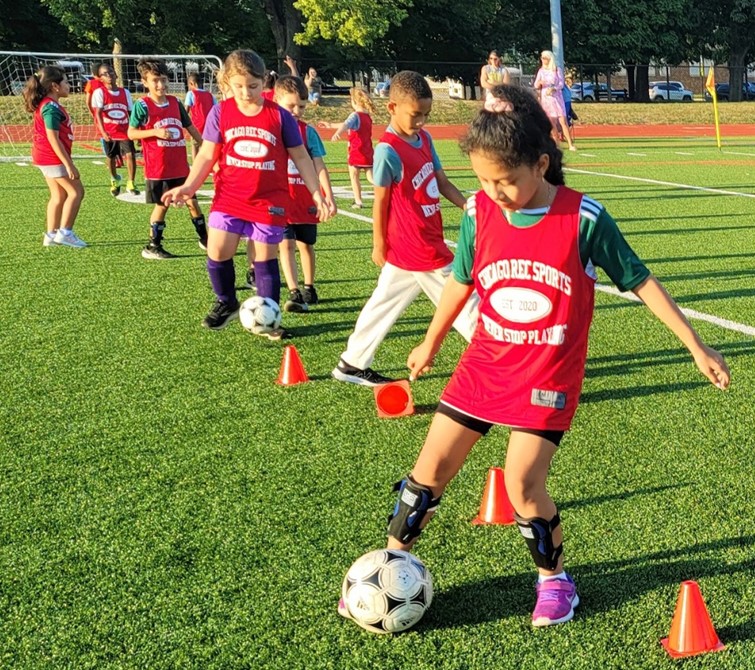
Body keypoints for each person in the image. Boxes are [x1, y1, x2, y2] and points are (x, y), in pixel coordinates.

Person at [340, 84, 731, 627]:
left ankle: (555, 581)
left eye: (506, 180)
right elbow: (460, 280)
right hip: (483, 366)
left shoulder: (584, 218)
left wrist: (697, 346)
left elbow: (641, 282)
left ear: (541, 164)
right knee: (427, 472)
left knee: (523, 482)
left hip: (547, 376)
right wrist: (430, 340)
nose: (494, 191)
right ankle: (391, 563)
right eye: (482, 180)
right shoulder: (478, 209)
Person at [161, 49, 330, 336]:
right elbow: (206, 155)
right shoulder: (221, 111)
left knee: (264, 259)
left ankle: (270, 317)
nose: (245, 92)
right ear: (227, 82)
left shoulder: (278, 116)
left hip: (269, 201)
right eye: (238, 86)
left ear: (264, 82)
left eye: (252, 86)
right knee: (217, 251)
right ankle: (226, 302)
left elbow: (301, 157)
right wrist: (189, 187)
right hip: (229, 197)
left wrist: (316, 193)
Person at [332, 71, 478, 386]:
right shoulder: (387, 151)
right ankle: (498, 358)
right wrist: (378, 244)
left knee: (384, 302)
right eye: (415, 115)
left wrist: (467, 205)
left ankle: (352, 362)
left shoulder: (423, 139)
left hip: (422, 240)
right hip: (416, 245)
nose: (421, 121)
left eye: (426, 115)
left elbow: (440, 181)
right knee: (463, 299)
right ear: (393, 108)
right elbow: (380, 202)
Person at [128, 58, 207, 259]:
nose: (161, 85)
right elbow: (131, 133)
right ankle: (153, 245)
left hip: (180, 166)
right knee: (162, 206)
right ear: (145, 82)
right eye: (155, 80)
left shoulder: (175, 102)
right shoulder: (142, 105)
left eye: (163, 79)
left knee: (192, 201)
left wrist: (207, 148)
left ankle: (205, 239)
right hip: (159, 168)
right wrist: (155, 132)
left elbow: (191, 128)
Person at [274, 75, 336, 312]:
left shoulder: (307, 132)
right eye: (291, 105)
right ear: (277, 100)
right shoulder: (272, 130)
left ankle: (309, 286)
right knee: (285, 245)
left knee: (306, 245)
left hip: (306, 200)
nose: (296, 111)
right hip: (281, 201)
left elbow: (319, 165)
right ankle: (293, 291)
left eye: (301, 106)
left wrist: (327, 195)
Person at [23, 66, 87, 248]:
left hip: (44, 157)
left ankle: (50, 235)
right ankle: (65, 232)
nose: (69, 85)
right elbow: (53, 138)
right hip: (52, 158)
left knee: (58, 195)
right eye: (65, 82)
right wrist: (69, 164)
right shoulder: (50, 108)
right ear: (54, 86)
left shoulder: (49, 105)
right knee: (77, 192)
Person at [91, 63, 139, 196]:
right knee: (111, 157)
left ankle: (131, 182)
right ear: (100, 78)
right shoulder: (100, 93)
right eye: (105, 74)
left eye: (111, 72)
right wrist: (103, 132)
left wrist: (135, 130)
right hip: (110, 132)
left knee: (130, 155)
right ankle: (114, 180)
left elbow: (130, 113)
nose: (109, 75)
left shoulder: (125, 93)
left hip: (124, 131)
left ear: (116, 74)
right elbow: (98, 113)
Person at [328, 87, 374, 209]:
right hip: (368, 151)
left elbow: (346, 124)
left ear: (354, 101)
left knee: (354, 176)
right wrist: (331, 125)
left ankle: (358, 201)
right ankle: (388, 188)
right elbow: (347, 125)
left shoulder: (355, 115)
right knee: (371, 177)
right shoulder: (367, 116)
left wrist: (338, 132)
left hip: (356, 151)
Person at [534, 50, 576, 151]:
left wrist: (554, 88)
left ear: (549, 59)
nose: (543, 60)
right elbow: (536, 84)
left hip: (557, 98)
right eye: (542, 58)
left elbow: (561, 84)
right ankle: (556, 144)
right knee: (552, 122)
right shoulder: (541, 71)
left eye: (545, 58)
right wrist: (540, 82)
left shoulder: (557, 70)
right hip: (546, 98)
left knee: (563, 121)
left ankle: (570, 144)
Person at [184, 72, 216, 160]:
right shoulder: (210, 95)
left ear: (191, 84)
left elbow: (186, 110)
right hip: (208, 125)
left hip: (196, 125)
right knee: (206, 146)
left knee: (195, 145)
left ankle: (195, 164)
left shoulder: (191, 94)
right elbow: (215, 109)